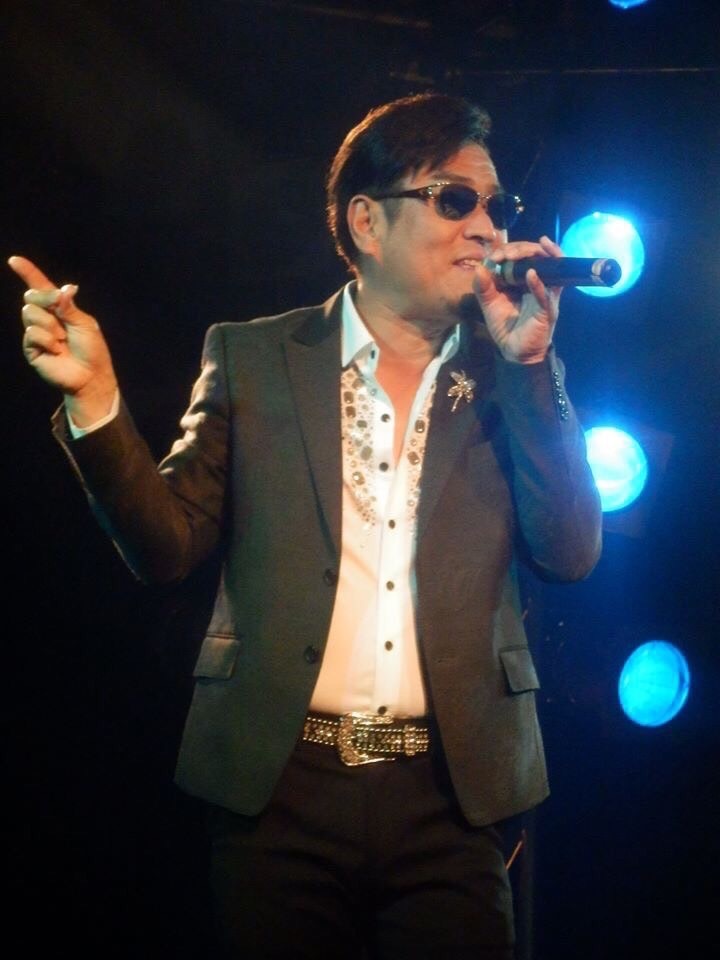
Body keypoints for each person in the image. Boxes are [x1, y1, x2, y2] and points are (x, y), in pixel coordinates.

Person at [11, 92, 602, 959]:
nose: (485, 227)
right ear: (367, 222)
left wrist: (533, 366)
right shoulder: (254, 357)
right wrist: (98, 403)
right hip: (280, 789)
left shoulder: (508, 372)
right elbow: (166, 547)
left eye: (497, 206)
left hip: (454, 794)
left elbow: (572, 552)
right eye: (453, 199)